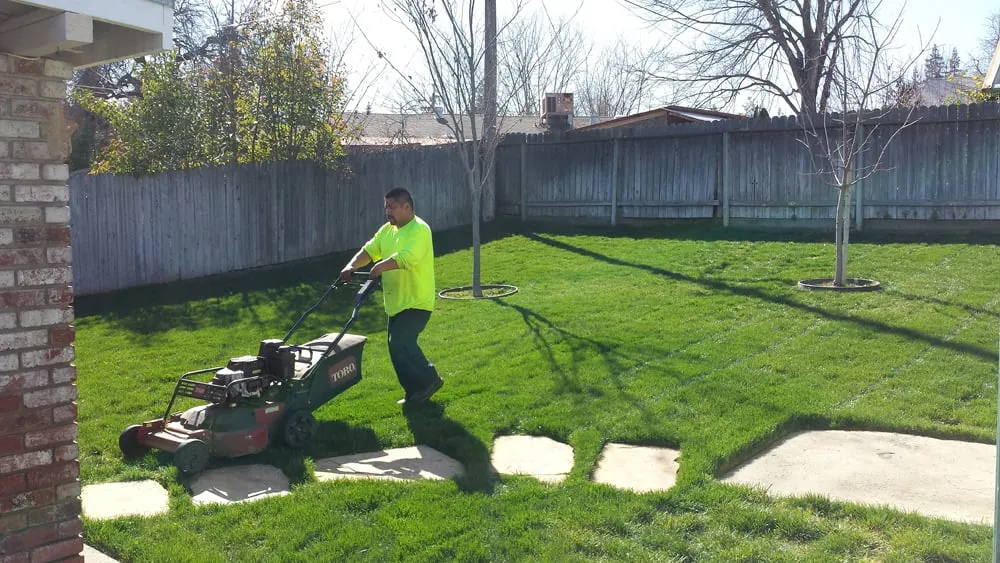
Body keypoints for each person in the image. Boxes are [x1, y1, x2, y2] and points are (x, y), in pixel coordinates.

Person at [340, 187, 443, 405]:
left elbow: (406, 258)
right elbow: (369, 250)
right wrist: (351, 266)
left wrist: (380, 267)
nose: (388, 212)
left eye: (392, 207)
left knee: (400, 342)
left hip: (417, 301)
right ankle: (414, 392)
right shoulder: (387, 231)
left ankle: (430, 379)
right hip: (396, 303)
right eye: (386, 207)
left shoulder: (420, 230)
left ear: (407, 207)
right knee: (395, 347)